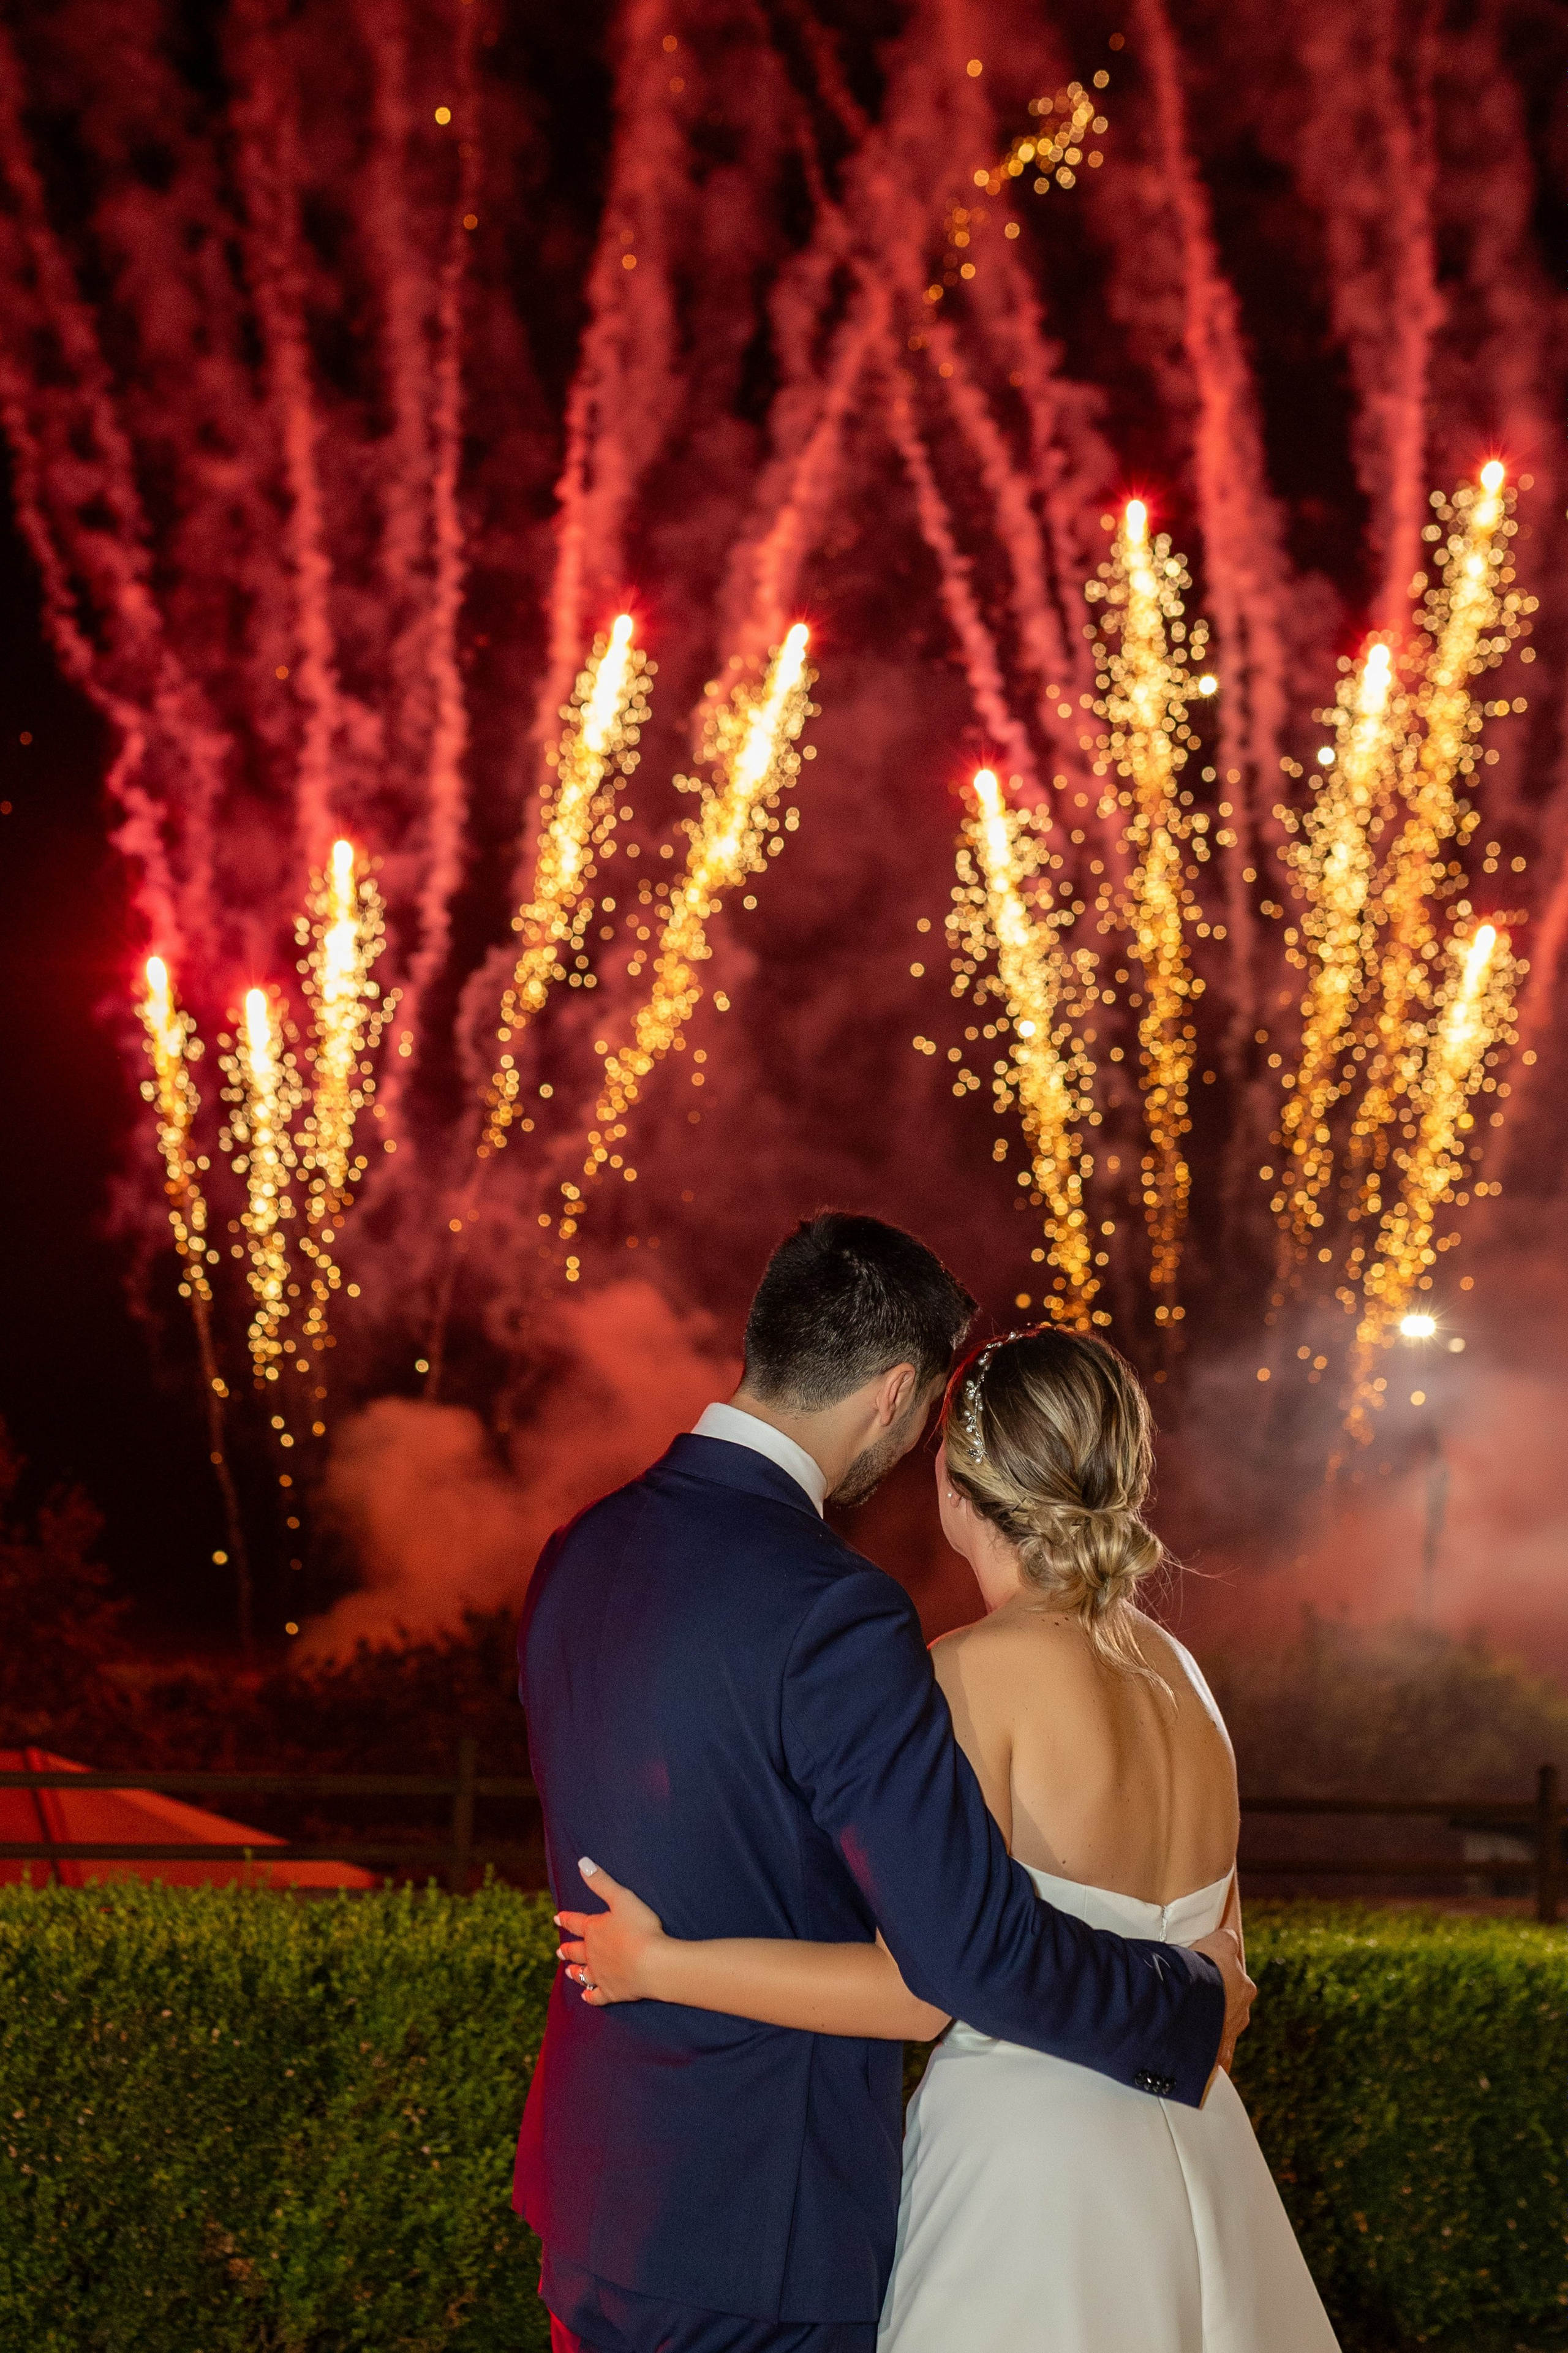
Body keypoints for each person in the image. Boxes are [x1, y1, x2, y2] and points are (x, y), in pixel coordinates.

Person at [519, 1214, 1253, 2353]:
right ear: (896, 1393)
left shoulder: (578, 1551)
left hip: (596, 2198)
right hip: (773, 2223)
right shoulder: (843, 1609)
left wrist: (652, 1963)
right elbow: (952, 1963)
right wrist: (1189, 2006)